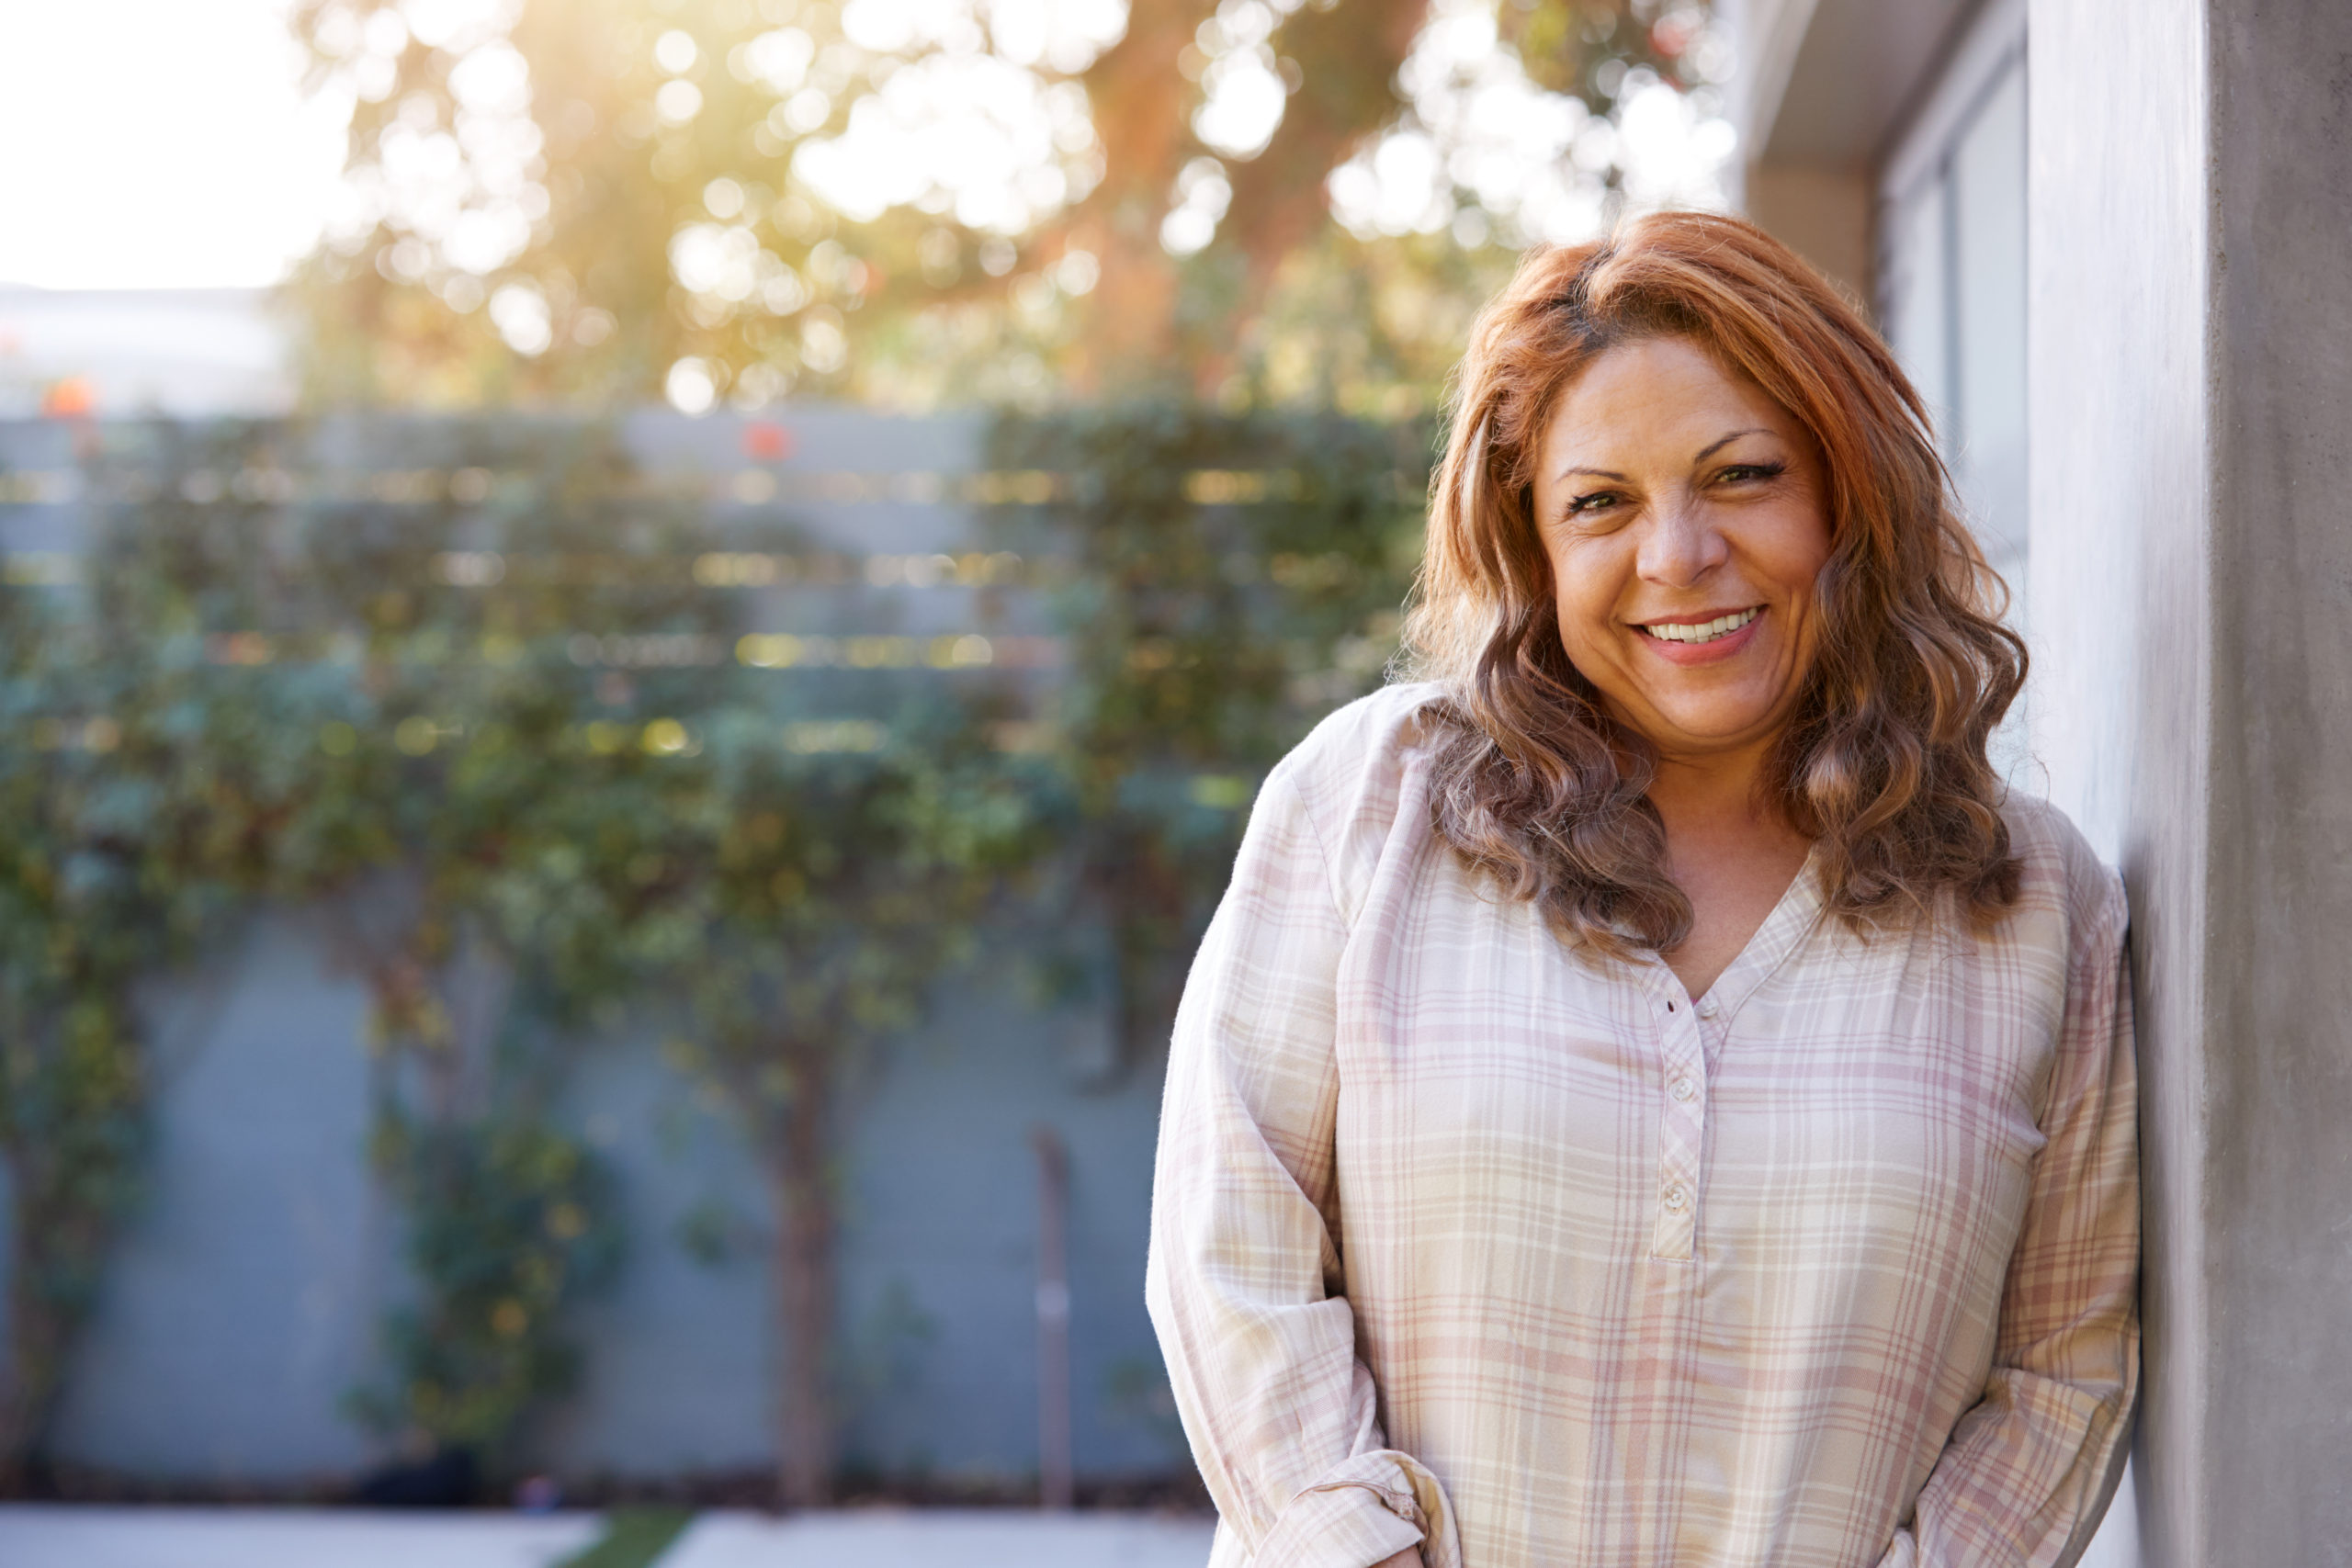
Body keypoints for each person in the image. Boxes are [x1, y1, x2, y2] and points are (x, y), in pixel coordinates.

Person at [1144, 211, 2138, 1568]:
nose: (1677, 557)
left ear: (1850, 497)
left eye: (1740, 475)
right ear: (1532, 547)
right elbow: (1230, 1247)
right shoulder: (1364, 810)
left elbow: (2063, 1369)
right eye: (1600, 502)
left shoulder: (2037, 910)